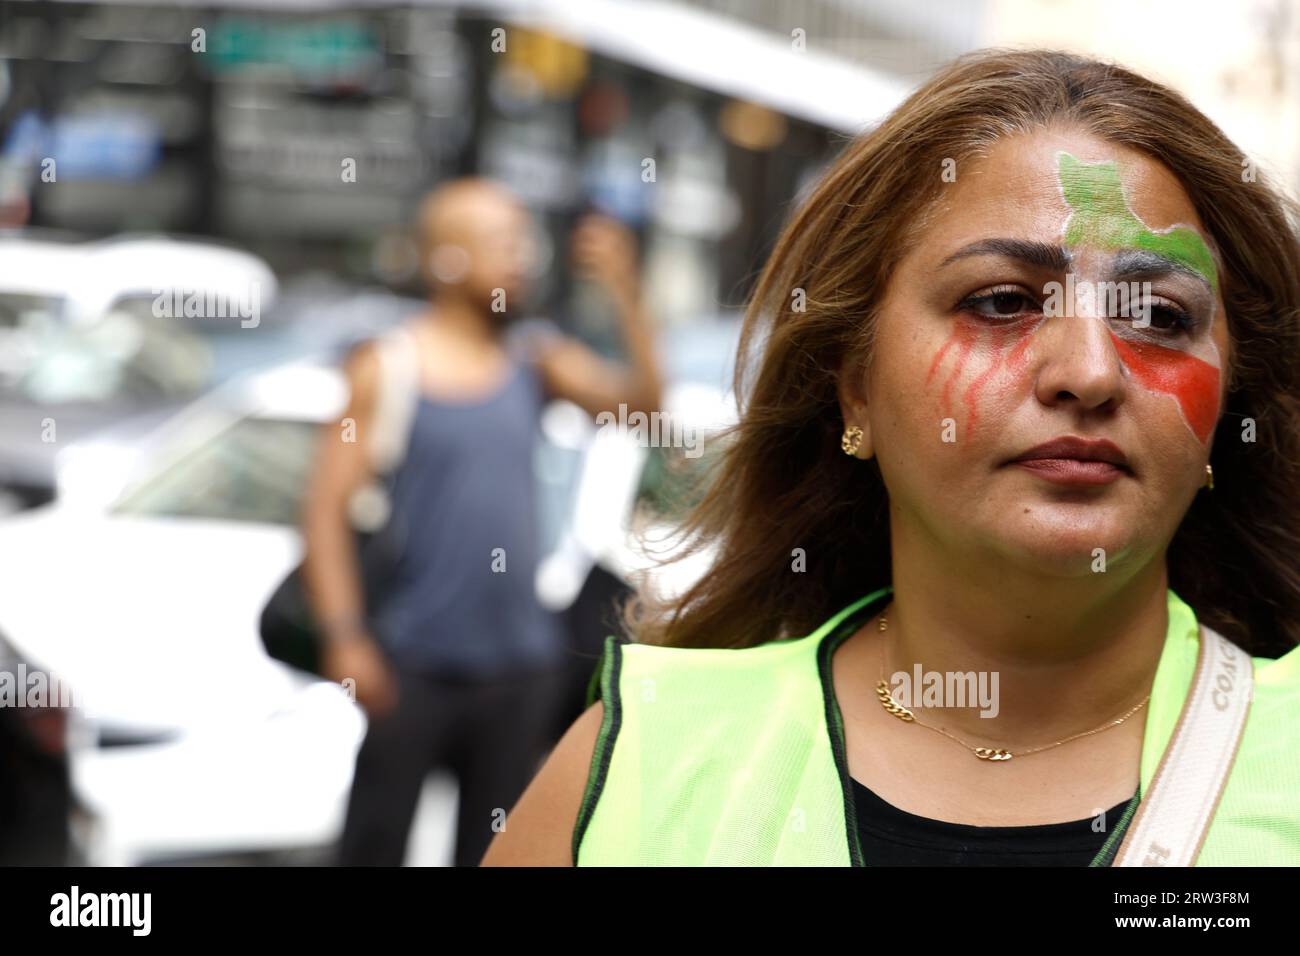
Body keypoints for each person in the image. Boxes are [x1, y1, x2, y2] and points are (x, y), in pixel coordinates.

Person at [481, 49, 1300, 867]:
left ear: (1230, 403)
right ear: (855, 392)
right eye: (1002, 302)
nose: (1089, 371)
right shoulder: (639, 760)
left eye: (1158, 315)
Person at [302, 177, 662, 867]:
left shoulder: (533, 360)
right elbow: (323, 512)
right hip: (411, 663)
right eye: (503, 243)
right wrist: (346, 639)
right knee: (373, 846)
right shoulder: (387, 365)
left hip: (521, 669)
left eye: (524, 241)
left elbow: (643, 408)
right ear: (446, 258)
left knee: (498, 854)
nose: (523, 257)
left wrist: (626, 292)